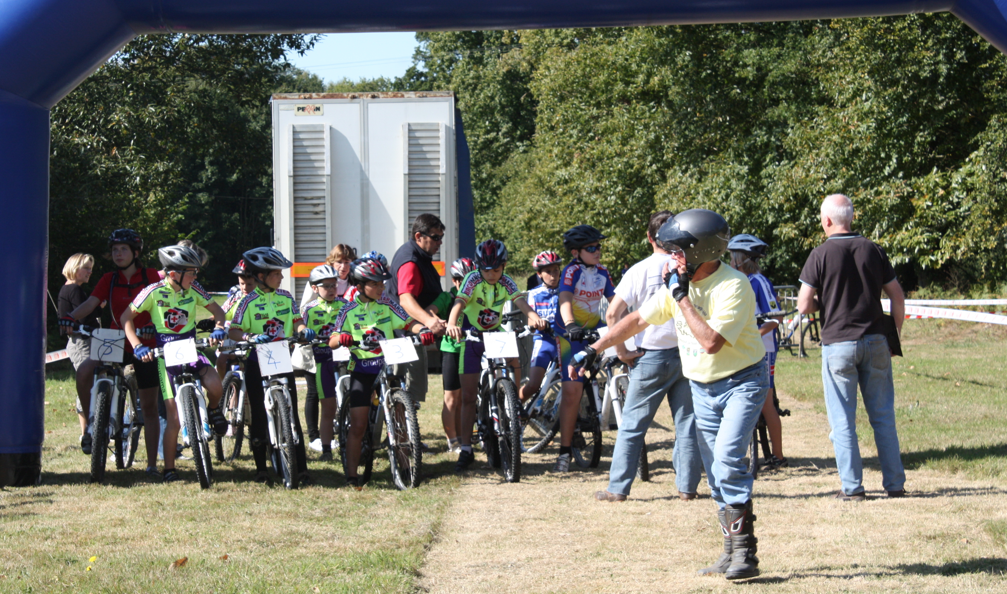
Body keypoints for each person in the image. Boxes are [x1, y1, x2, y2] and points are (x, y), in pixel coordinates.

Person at [573, 209, 768, 580]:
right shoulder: (680, 283)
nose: (672, 258)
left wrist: (681, 298)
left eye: (678, 251)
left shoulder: (733, 286)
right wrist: (596, 348)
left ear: (702, 251)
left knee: (727, 460)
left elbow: (710, 341)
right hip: (702, 385)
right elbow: (637, 320)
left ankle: (746, 554)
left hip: (740, 382)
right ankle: (729, 552)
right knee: (715, 472)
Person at [798, 193, 907, 501]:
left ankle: (853, 488)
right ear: (852, 218)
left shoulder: (819, 254)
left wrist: (825, 301)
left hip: (838, 344)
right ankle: (895, 484)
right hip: (875, 341)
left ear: (827, 220)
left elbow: (804, 305)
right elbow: (897, 296)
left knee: (843, 419)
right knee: (883, 416)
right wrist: (893, 333)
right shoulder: (874, 250)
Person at [594, 211, 703, 503]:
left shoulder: (639, 270)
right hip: (686, 353)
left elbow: (612, 313)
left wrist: (622, 351)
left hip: (650, 354)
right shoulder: (688, 265)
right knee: (688, 424)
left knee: (632, 425)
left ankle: (617, 489)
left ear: (649, 237)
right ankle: (687, 488)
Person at [59, 229, 163, 479]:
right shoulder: (108, 278)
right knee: (85, 370)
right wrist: (69, 317)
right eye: (114, 250)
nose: (118, 254)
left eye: (123, 249)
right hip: (115, 339)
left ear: (135, 253)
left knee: (148, 407)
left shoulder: (150, 276)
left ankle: (151, 465)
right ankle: (92, 428)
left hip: (144, 342)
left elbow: (167, 299)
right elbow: (91, 303)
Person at [121, 244, 230, 484]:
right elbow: (125, 317)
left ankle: (213, 410)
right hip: (166, 356)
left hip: (191, 349)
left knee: (215, 385)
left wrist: (219, 329)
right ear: (174, 274)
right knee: (174, 417)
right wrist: (138, 345)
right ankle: (169, 468)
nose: (195, 276)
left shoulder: (194, 289)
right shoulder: (153, 291)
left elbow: (218, 312)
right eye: (191, 272)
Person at [330, 257, 435, 488]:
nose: (381, 288)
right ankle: (351, 475)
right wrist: (342, 338)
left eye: (382, 283)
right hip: (361, 370)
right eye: (375, 284)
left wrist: (423, 329)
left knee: (400, 416)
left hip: (388, 366)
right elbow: (332, 340)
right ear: (359, 285)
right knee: (358, 426)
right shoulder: (347, 309)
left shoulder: (388, 304)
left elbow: (409, 323)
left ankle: (407, 467)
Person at [446, 240, 544, 472]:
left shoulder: (507, 281)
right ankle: (467, 448)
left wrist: (533, 317)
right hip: (471, 337)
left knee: (513, 358)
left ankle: (511, 399)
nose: (491, 274)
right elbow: (459, 303)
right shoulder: (471, 280)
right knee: (468, 396)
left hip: (495, 334)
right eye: (486, 269)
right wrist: (452, 323)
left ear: (504, 265)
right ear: (479, 267)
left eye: (497, 269)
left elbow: (520, 302)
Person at [227, 247, 316, 486]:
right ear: (261, 276)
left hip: (281, 357)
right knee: (258, 413)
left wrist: (301, 331)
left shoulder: (286, 297)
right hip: (257, 360)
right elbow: (234, 330)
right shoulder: (246, 301)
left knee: (291, 413)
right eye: (277, 273)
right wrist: (249, 338)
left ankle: (301, 469)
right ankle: (261, 469)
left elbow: (297, 321)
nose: (282, 277)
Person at [553, 225, 616, 473]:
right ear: (576, 252)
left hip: (594, 330)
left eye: (599, 247)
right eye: (592, 248)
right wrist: (570, 325)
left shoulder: (603, 272)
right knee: (572, 392)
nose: (597, 251)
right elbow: (565, 300)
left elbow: (615, 302)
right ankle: (564, 451)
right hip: (572, 335)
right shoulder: (571, 271)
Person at [728, 234, 787, 468]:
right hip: (741, 348)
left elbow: (776, 317)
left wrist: (756, 334)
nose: (729, 262)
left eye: (732, 258)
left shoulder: (758, 281)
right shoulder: (735, 281)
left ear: (741, 259)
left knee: (766, 400)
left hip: (764, 347)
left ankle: (778, 455)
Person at [387, 214, 452, 409]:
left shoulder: (419, 256)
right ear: (419, 236)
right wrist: (429, 321)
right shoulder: (411, 262)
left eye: (441, 237)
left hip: (406, 329)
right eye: (435, 237)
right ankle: (403, 438)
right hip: (403, 332)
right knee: (407, 388)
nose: (439, 242)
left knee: (406, 390)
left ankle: (404, 436)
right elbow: (406, 300)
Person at [300, 244, 356, 449]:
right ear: (315, 288)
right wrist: (303, 335)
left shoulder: (347, 305)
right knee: (328, 407)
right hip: (322, 358)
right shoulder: (309, 309)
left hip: (346, 357)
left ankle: (354, 440)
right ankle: (325, 446)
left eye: (334, 285)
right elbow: (299, 327)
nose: (332, 289)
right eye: (327, 286)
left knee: (352, 399)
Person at [58, 253, 99, 437]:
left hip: (80, 341)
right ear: (75, 268)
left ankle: (88, 431)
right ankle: (87, 433)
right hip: (81, 342)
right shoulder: (74, 289)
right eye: (86, 268)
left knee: (89, 383)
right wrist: (99, 306)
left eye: (91, 268)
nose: (90, 272)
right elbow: (82, 317)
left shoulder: (66, 289)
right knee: (87, 384)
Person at [518, 250, 562, 404]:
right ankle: (513, 409)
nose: (553, 275)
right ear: (539, 274)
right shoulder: (534, 294)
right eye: (548, 271)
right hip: (544, 341)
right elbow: (531, 322)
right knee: (534, 385)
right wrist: (538, 323)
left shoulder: (567, 291)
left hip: (565, 342)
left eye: (556, 270)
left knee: (572, 385)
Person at [442, 257, 476, 453]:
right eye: (463, 280)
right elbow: (431, 312)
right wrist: (444, 324)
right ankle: (452, 440)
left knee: (467, 397)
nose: (468, 285)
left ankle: (464, 438)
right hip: (452, 349)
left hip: (471, 347)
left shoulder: (476, 296)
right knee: (452, 398)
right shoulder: (448, 297)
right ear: (455, 281)